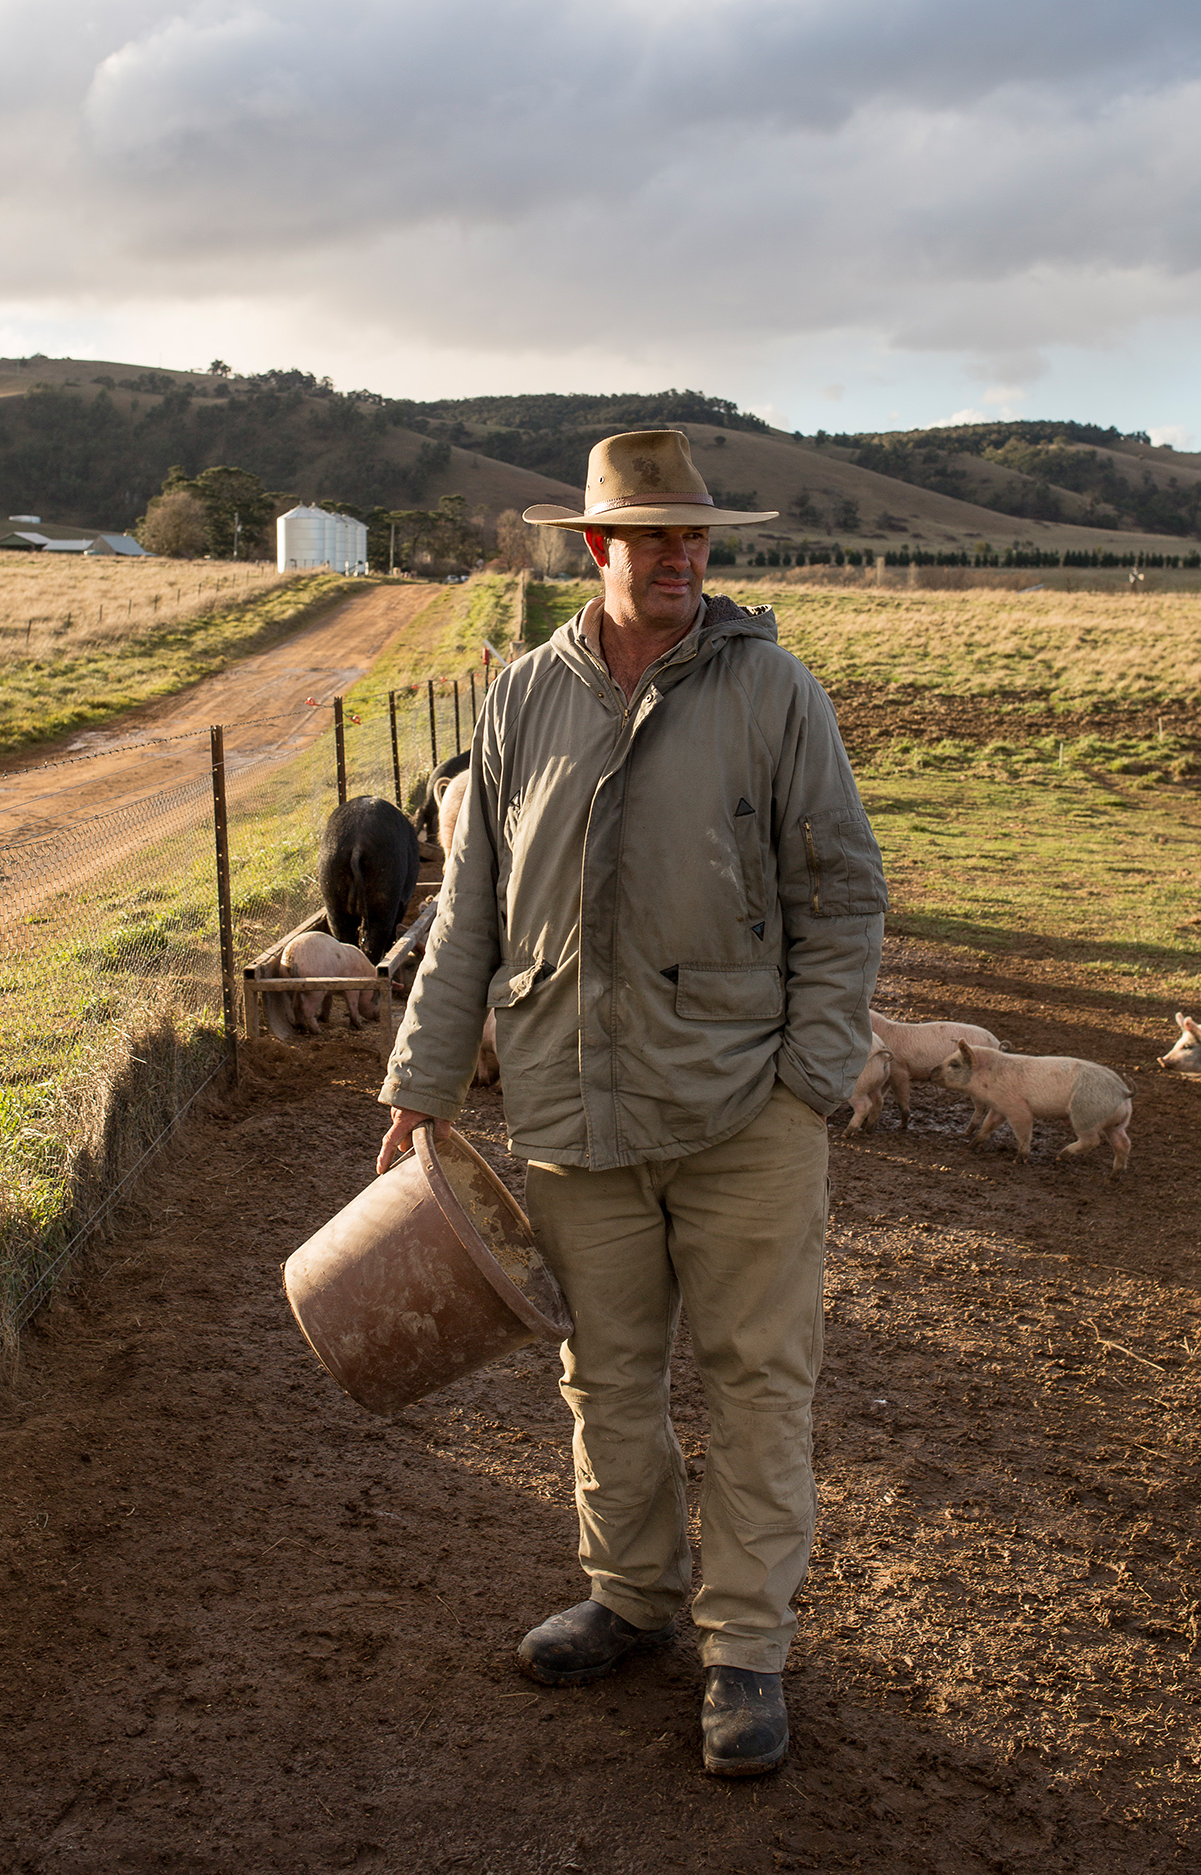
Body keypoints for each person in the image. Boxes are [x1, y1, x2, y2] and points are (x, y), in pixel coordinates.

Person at [377, 429, 886, 1776]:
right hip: (571, 1103)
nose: (681, 557)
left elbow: (844, 894)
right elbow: (468, 914)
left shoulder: (773, 690)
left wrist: (809, 1082)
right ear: (595, 546)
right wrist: (422, 1088)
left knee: (757, 1380)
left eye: (695, 535)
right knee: (603, 1373)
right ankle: (633, 1594)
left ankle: (747, 1648)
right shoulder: (522, 700)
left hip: (743, 1107)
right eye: (654, 535)